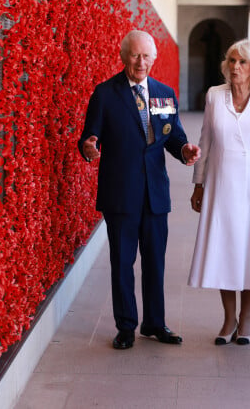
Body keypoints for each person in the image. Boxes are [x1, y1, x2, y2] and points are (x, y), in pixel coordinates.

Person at [78, 30, 201, 349]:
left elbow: (174, 137)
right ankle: (126, 327)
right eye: (135, 55)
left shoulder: (164, 93)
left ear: (154, 59)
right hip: (120, 193)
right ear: (123, 57)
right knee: (122, 262)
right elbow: (89, 137)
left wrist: (185, 150)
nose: (140, 62)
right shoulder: (105, 94)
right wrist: (89, 147)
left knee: (155, 262)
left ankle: (155, 323)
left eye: (146, 56)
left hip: (155, 194)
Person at [188, 39, 250, 346]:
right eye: (231, 61)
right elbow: (205, 140)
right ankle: (229, 318)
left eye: (242, 62)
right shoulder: (215, 96)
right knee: (224, 249)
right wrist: (198, 183)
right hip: (221, 184)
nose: (235, 67)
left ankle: (246, 318)